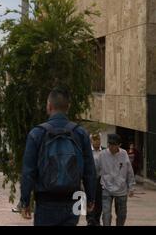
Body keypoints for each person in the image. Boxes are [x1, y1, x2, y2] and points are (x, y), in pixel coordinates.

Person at [20, 88, 96, 226]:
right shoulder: (80, 133)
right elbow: (89, 171)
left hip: (45, 201)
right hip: (72, 200)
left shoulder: (37, 133)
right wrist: (91, 198)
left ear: (49, 106)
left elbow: (28, 171)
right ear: (68, 107)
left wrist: (25, 201)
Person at [99, 134, 135, 226]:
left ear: (119, 145)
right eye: (109, 144)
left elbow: (129, 171)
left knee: (121, 215)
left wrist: (131, 187)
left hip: (121, 189)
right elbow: (96, 169)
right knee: (106, 214)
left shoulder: (124, 154)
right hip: (106, 188)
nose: (111, 147)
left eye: (114, 145)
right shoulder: (102, 154)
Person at [86, 133, 104, 226]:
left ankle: (97, 219)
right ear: (91, 140)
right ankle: (90, 219)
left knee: (99, 201)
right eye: (94, 140)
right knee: (89, 199)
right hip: (90, 179)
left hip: (101, 179)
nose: (97, 141)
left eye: (98, 139)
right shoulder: (87, 151)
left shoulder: (104, 151)